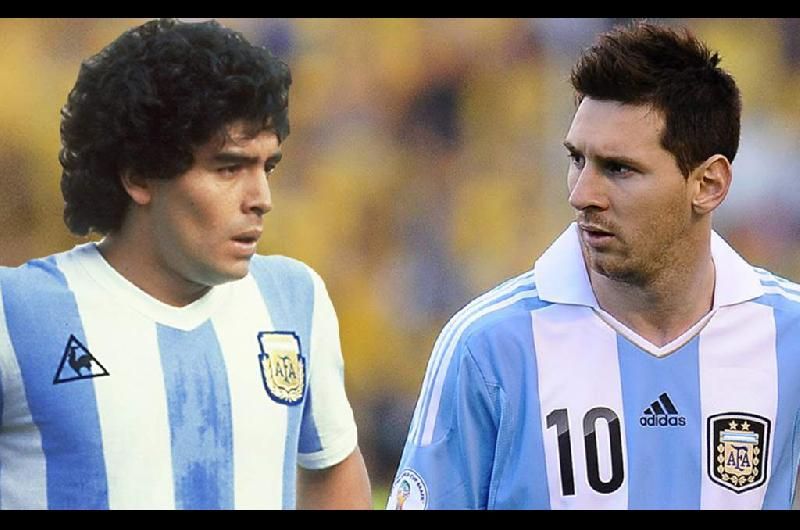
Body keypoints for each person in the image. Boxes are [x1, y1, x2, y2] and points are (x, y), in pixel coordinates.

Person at [388, 21, 800, 510]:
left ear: (708, 184)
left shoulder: (789, 336)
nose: (582, 194)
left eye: (618, 168)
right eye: (577, 160)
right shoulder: (489, 347)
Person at [0, 18, 371, 510]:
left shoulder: (295, 300)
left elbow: (334, 469)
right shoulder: (18, 314)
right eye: (229, 168)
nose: (262, 198)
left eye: (267, 167)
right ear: (139, 176)